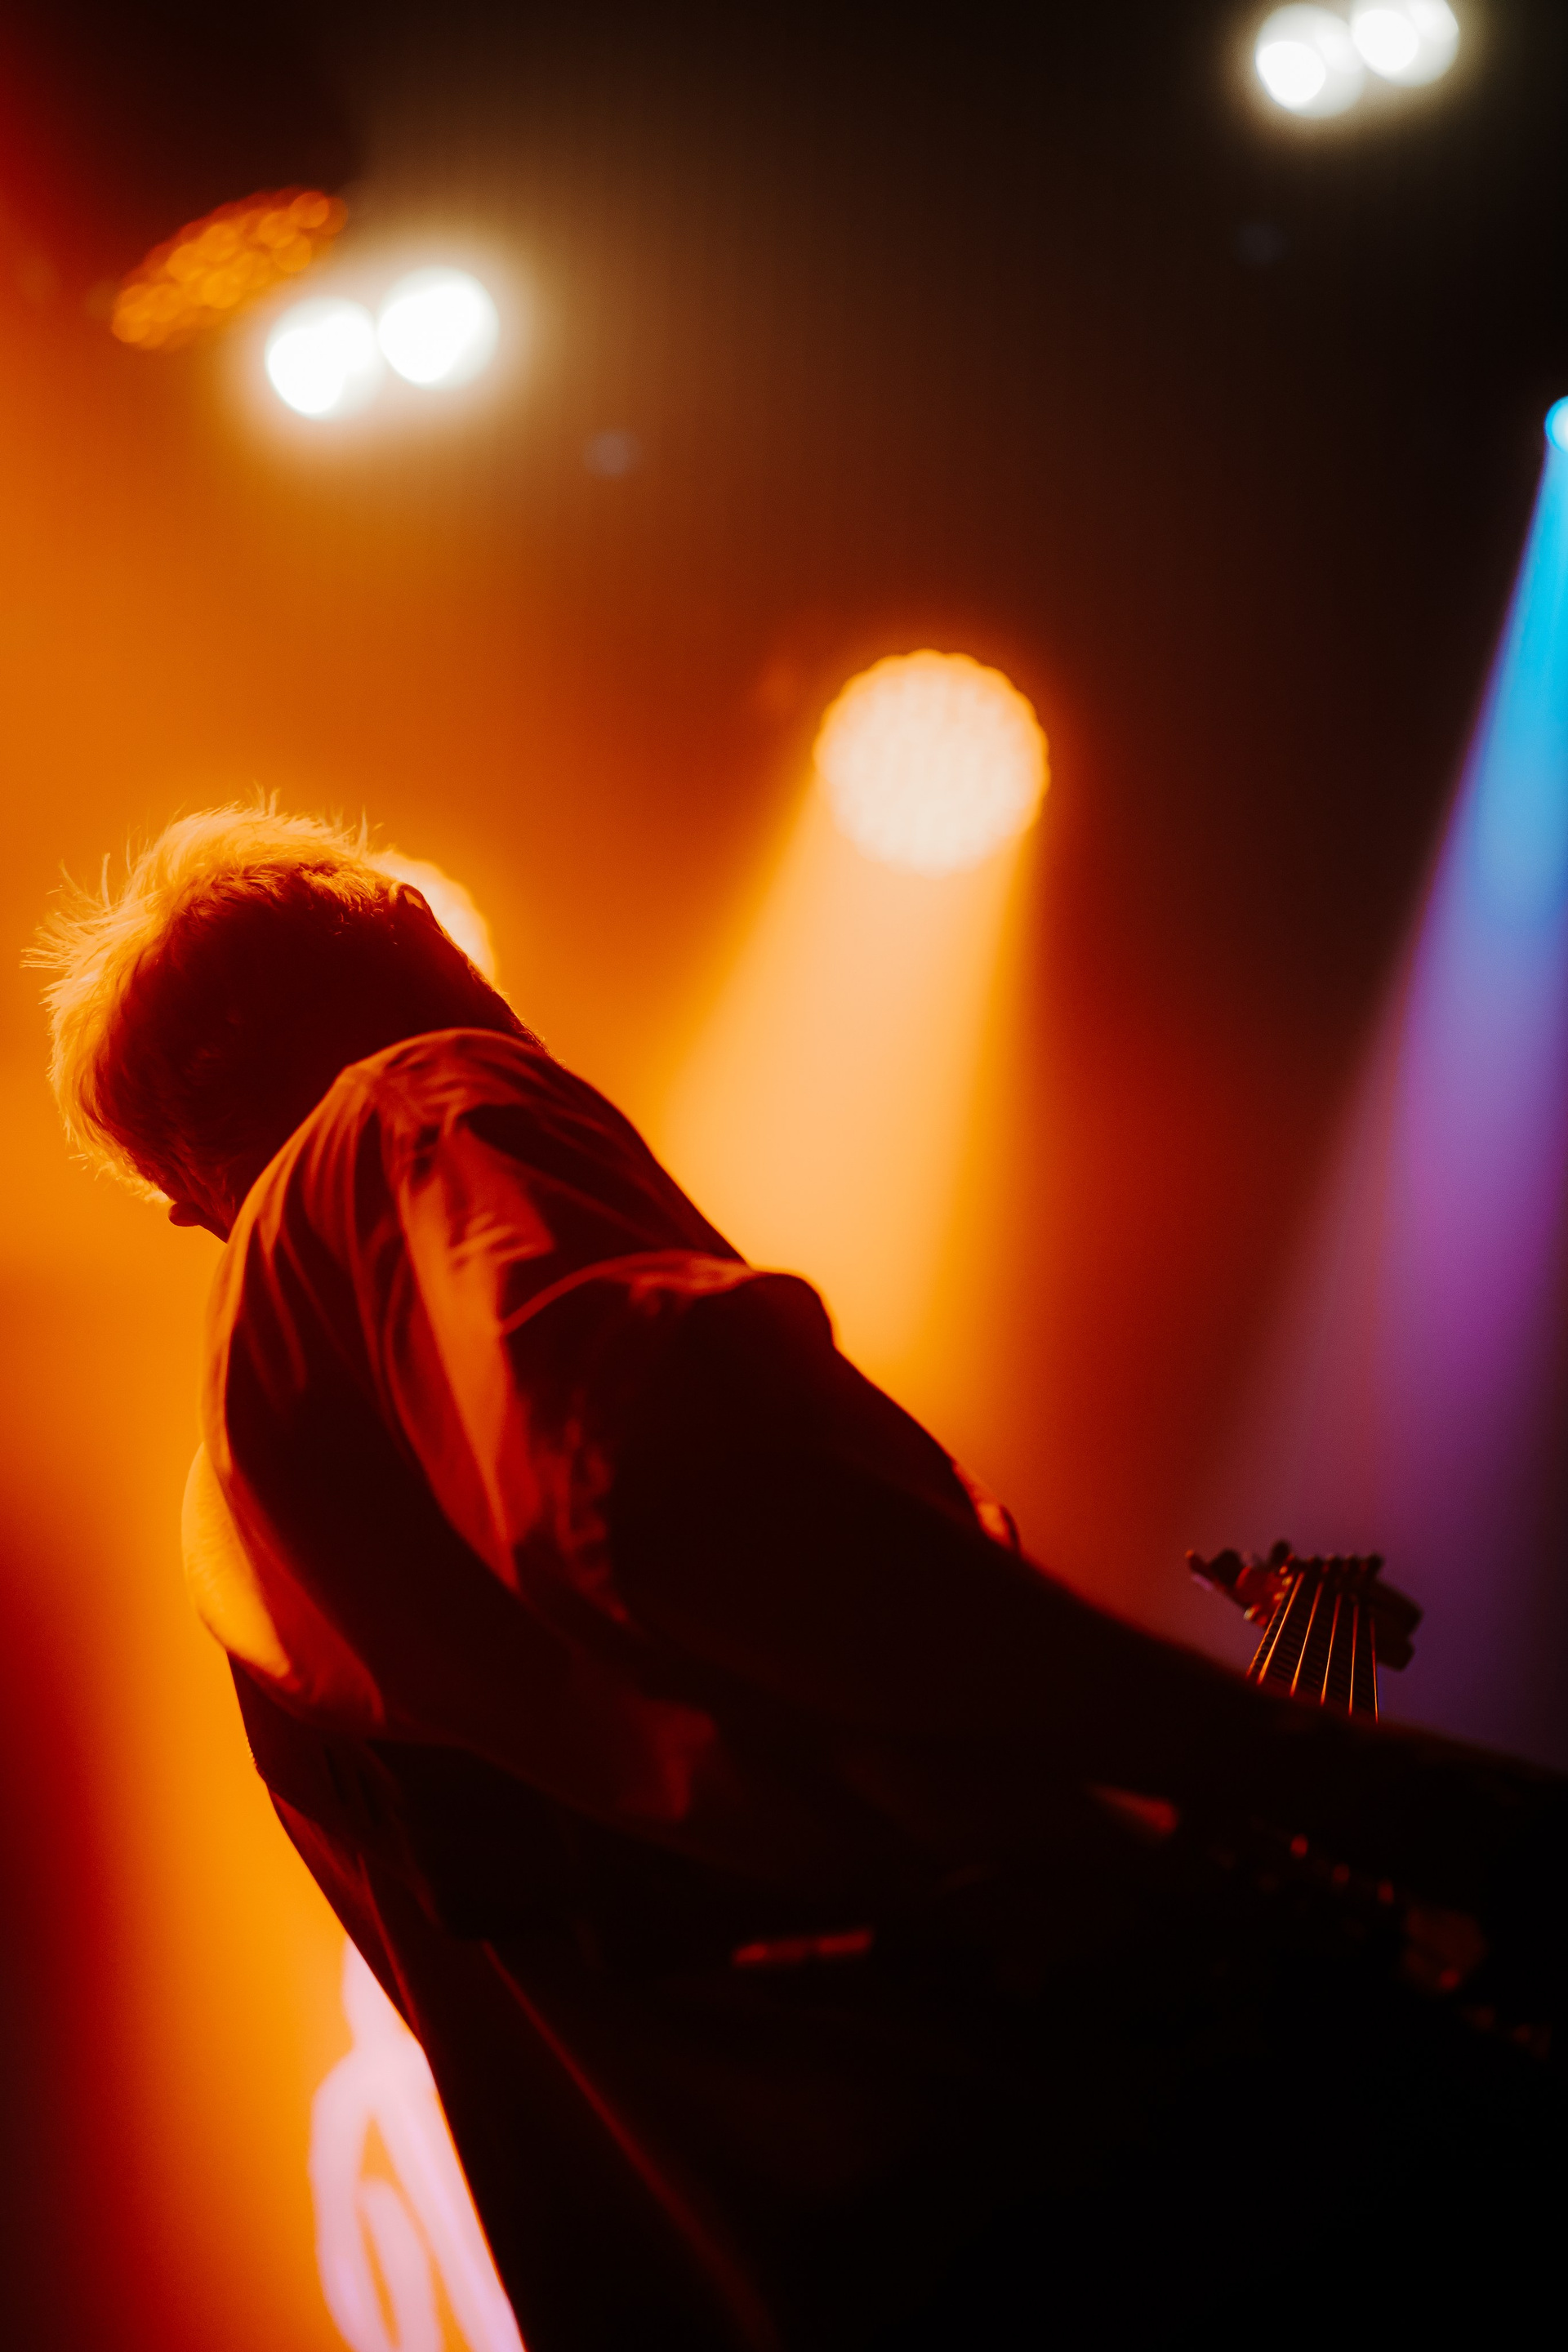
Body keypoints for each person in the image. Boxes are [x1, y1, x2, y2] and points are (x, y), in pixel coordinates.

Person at [33, 807, 1564, 2350]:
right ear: (411, 955)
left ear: (183, 1191)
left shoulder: (239, 1524)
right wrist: (1363, 1791)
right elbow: (679, 1517)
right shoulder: (415, 1107)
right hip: (1097, 2134)